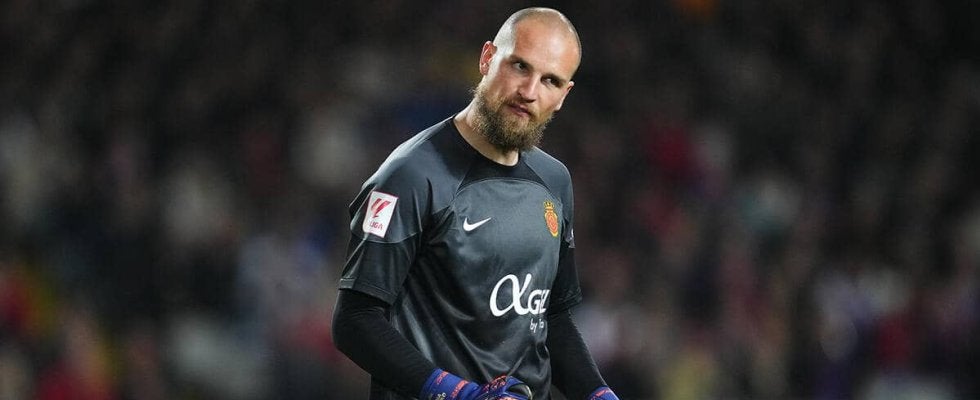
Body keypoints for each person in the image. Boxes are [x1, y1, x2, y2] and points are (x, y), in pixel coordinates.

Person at [332, 7, 620, 400]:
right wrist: (457, 393)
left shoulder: (554, 181)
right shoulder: (410, 176)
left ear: (563, 96)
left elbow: (550, 318)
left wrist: (597, 393)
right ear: (487, 59)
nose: (529, 91)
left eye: (550, 80)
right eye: (520, 66)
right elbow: (355, 320)